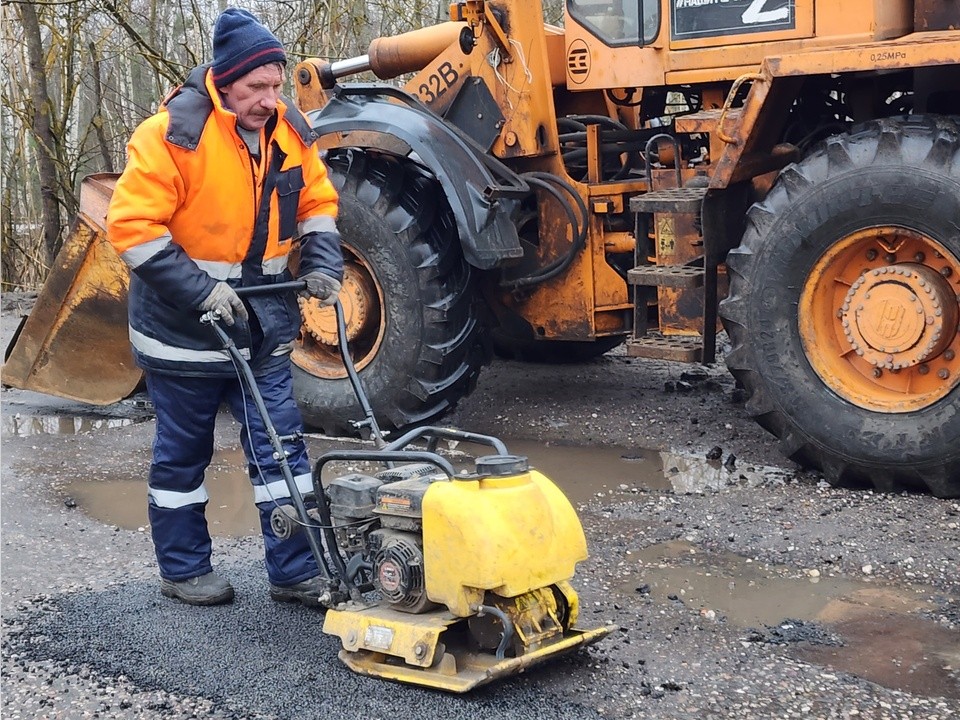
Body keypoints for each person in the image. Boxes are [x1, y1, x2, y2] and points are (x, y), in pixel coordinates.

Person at [106, 8, 343, 606]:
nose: (270, 98)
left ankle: (295, 571)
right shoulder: (171, 135)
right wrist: (201, 290)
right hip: (183, 330)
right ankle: (184, 570)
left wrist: (321, 266)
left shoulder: (289, 130)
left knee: (281, 448)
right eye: (256, 87)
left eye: (275, 83)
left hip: (261, 325)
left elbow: (317, 202)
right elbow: (133, 229)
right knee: (184, 455)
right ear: (224, 82)